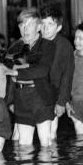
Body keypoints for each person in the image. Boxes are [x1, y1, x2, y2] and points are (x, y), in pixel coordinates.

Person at [8, 8, 56, 146]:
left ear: (39, 26)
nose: (25, 29)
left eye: (29, 24)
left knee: (45, 142)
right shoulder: (15, 47)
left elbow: (42, 70)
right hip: (21, 97)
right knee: (23, 145)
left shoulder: (47, 45)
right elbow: (5, 70)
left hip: (40, 96)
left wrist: (16, 71)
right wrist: (10, 101)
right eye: (21, 25)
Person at [40, 7, 74, 141]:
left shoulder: (64, 46)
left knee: (50, 135)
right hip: (32, 95)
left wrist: (61, 102)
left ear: (58, 28)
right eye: (42, 24)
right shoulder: (33, 42)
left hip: (52, 95)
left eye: (50, 24)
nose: (45, 28)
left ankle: (52, 160)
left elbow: (67, 75)